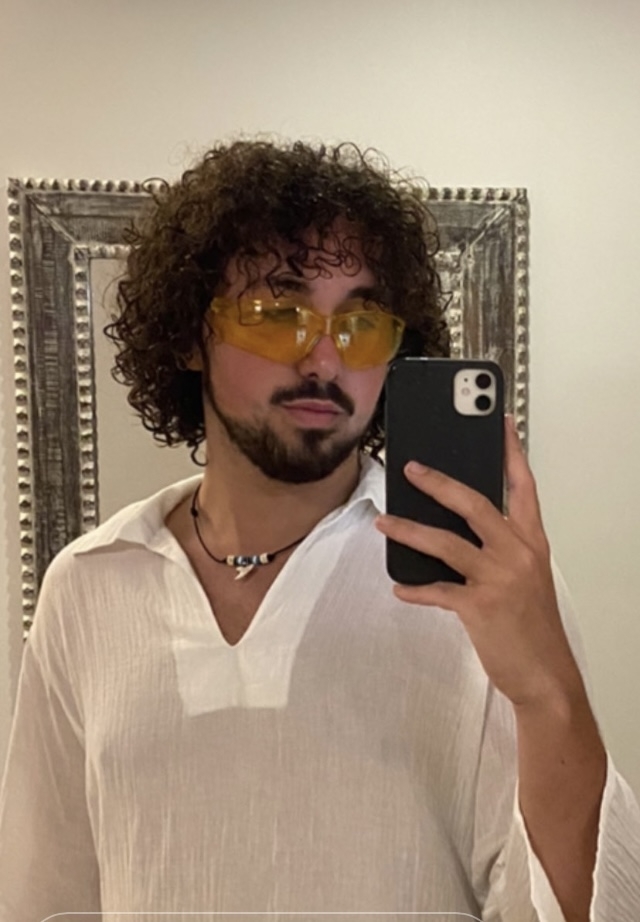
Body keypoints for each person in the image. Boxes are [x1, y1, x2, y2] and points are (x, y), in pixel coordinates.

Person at [0, 139, 638, 922]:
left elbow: (572, 910)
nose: (326, 360)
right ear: (187, 336)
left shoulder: (480, 581)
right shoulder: (90, 584)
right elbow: (49, 900)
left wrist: (547, 693)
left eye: (361, 324)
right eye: (277, 315)